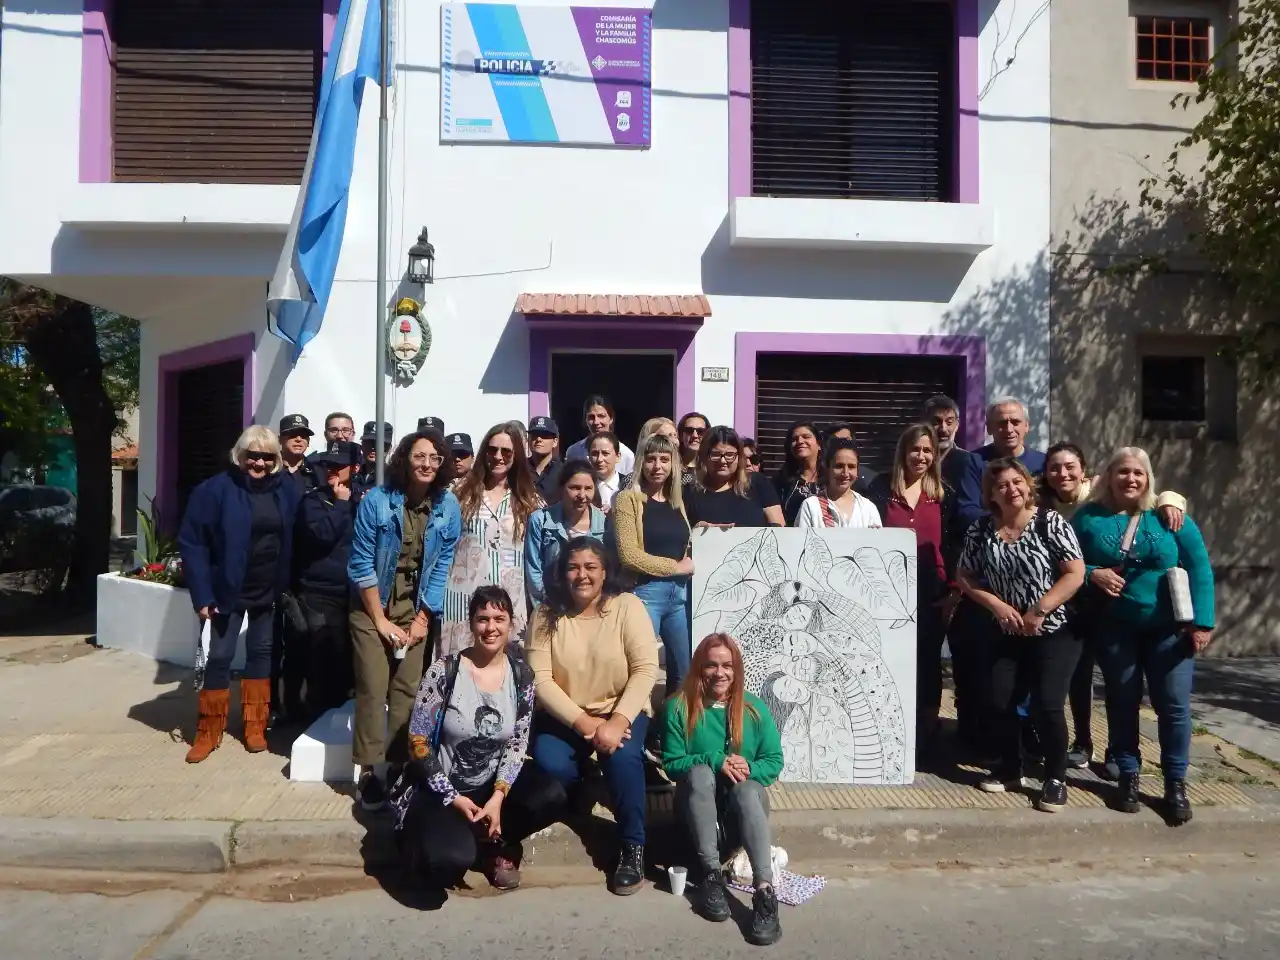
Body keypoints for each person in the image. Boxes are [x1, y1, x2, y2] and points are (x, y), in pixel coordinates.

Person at [1071, 447, 1214, 823]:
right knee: (1122, 700)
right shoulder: (1088, 518)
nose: (1130, 479)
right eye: (1122, 472)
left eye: (1138, 473)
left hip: (1169, 629)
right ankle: (1128, 775)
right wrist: (1091, 574)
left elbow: (1199, 567)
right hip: (1116, 628)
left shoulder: (1167, 515)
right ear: (1108, 476)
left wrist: (1203, 623)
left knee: (1174, 706)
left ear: (1148, 478)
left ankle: (1175, 783)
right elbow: (1064, 560)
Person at [392, 586, 561, 891]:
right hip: (442, 788)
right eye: (483, 619)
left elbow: (517, 743)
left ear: (511, 623)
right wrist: (453, 797)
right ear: (471, 624)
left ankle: (493, 843)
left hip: (488, 786)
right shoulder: (445, 671)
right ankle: (433, 838)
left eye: (499, 618)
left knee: (551, 794)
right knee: (445, 864)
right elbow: (417, 742)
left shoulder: (522, 676)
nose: (491, 627)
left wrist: (498, 797)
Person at [1041, 444, 1186, 773]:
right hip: (1078, 605)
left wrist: (1171, 499)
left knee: (1120, 686)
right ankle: (1084, 742)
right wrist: (1092, 573)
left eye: (1070, 467)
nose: (1062, 474)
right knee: (1082, 677)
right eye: (1054, 468)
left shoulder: (1101, 493)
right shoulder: (1040, 499)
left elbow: (1145, 491)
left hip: (1116, 611)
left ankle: (1119, 754)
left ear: (1086, 471)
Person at [525, 539, 659, 894]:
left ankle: (632, 846)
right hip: (567, 714)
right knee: (551, 764)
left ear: (604, 572)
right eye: (573, 567)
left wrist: (616, 722)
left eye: (590, 567)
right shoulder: (545, 614)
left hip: (620, 710)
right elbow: (540, 678)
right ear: (561, 573)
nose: (581, 575)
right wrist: (585, 723)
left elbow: (646, 670)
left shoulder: (627, 607)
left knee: (623, 759)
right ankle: (586, 779)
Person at [956, 458, 1085, 812]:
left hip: (1055, 630)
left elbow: (1075, 573)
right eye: (1001, 486)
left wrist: (1040, 610)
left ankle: (1055, 778)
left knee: (1047, 705)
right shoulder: (981, 529)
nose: (1011, 489)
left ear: (1028, 486)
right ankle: (1010, 767)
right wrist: (996, 605)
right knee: (1000, 701)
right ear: (991, 494)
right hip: (1006, 630)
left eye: (1017, 482)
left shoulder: (1050, 522)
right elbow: (965, 576)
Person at [348, 429, 461, 811]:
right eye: (420, 456)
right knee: (373, 687)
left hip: (416, 608)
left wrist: (423, 619)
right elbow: (361, 563)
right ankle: (368, 769)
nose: (427, 464)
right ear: (404, 459)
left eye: (435, 458)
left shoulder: (448, 506)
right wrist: (379, 621)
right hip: (372, 606)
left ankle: (397, 765)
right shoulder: (377, 501)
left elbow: (442, 565)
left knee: (407, 691)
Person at [178, 425, 302, 763]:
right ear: (240, 455)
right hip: (225, 593)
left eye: (266, 457)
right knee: (220, 657)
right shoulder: (215, 490)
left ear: (276, 459)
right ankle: (208, 730)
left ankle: (254, 726)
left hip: (267, 591)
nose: (259, 463)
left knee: (261, 656)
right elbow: (192, 543)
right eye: (253, 456)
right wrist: (202, 594)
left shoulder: (285, 490)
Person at [663, 633, 784, 945]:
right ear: (699, 668)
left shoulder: (755, 709)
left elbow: (774, 761)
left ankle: (764, 893)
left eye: (727, 666)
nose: (720, 673)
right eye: (711, 665)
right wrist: (715, 760)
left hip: (738, 816)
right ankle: (711, 876)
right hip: (696, 814)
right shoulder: (679, 707)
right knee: (701, 773)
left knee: (747, 789)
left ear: (737, 669)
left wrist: (750, 768)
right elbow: (673, 763)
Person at [865, 425, 960, 750]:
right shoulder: (879, 489)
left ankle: (927, 731)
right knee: (889, 659)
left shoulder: (944, 494)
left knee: (928, 661)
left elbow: (952, 545)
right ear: (903, 452)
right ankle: (889, 727)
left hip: (931, 591)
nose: (920, 456)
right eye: (915, 449)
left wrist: (952, 590)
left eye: (927, 450)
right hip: (887, 592)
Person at [441, 423, 541, 656]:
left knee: (505, 676)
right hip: (464, 601)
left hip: (511, 604)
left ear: (516, 456)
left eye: (506, 452)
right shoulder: (459, 494)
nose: (498, 457)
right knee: (461, 675)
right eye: (492, 449)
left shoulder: (529, 500)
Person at [287, 438, 363, 721]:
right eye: (328, 464)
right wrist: (341, 506)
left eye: (339, 465)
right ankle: (313, 724)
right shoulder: (313, 500)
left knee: (346, 664)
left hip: (353, 593)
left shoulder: (363, 501)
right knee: (320, 663)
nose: (332, 470)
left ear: (353, 468)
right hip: (319, 594)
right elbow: (321, 535)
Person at [612, 433, 693, 694]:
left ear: (673, 464)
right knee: (641, 670)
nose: (657, 466)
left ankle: (671, 731)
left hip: (678, 596)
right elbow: (629, 555)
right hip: (645, 595)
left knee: (683, 670)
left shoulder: (677, 501)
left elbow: (681, 541)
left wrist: (703, 533)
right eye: (650, 459)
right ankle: (637, 730)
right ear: (640, 463)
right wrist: (675, 567)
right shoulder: (628, 499)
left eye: (664, 459)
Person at [524, 459, 607, 606]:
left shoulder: (605, 524)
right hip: (551, 605)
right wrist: (547, 606)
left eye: (588, 488)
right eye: (575, 488)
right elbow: (533, 569)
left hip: (592, 607)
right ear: (562, 488)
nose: (582, 495)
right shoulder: (540, 520)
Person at [688, 426, 784, 529]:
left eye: (730, 455)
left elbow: (778, 529)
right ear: (704, 456)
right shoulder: (689, 491)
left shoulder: (757, 483)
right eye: (715, 454)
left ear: (739, 456)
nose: (723, 461)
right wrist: (695, 531)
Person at [794, 438, 881, 529]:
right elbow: (801, 542)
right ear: (828, 468)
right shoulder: (811, 506)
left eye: (851, 467)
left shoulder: (868, 508)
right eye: (839, 466)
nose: (845, 473)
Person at [564, 395, 635, 474]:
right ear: (585, 420)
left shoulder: (626, 455)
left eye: (601, 416)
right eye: (591, 417)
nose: (596, 422)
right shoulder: (574, 452)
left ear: (611, 419)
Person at [773, 420, 822, 526]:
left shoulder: (831, 477)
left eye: (806, 436)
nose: (800, 441)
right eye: (794, 439)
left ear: (819, 444)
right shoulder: (781, 480)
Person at [588, 432, 630, 513]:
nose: (599, 459)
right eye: (594, 454)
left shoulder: (630, 486)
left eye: (605, 453)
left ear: (618, 457)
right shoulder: (583, 487)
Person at [278, 414, 319, 493]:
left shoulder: (317, 472)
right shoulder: (269, 468)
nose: (299, 439)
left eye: (303, 436)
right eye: (292, 434)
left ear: (308, 441)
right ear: (280, 439)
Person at [353, 421, 393, 498]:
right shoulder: (352, 473)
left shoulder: (393, 477)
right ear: (362, 445)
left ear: (389, 448)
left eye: (379, 443)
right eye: (369, 442)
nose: (373, 448)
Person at [527, 415, 562, 501]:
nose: (539, 439)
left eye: (544, 435)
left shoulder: (564, 472)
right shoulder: (519, 469)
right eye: (534, 435)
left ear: (555, 442)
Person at [677, 412, 710, 486]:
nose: (695, 435)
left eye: (700, 431)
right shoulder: (671, 466)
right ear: (681, 435)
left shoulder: (712, 468)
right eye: (689, 430)